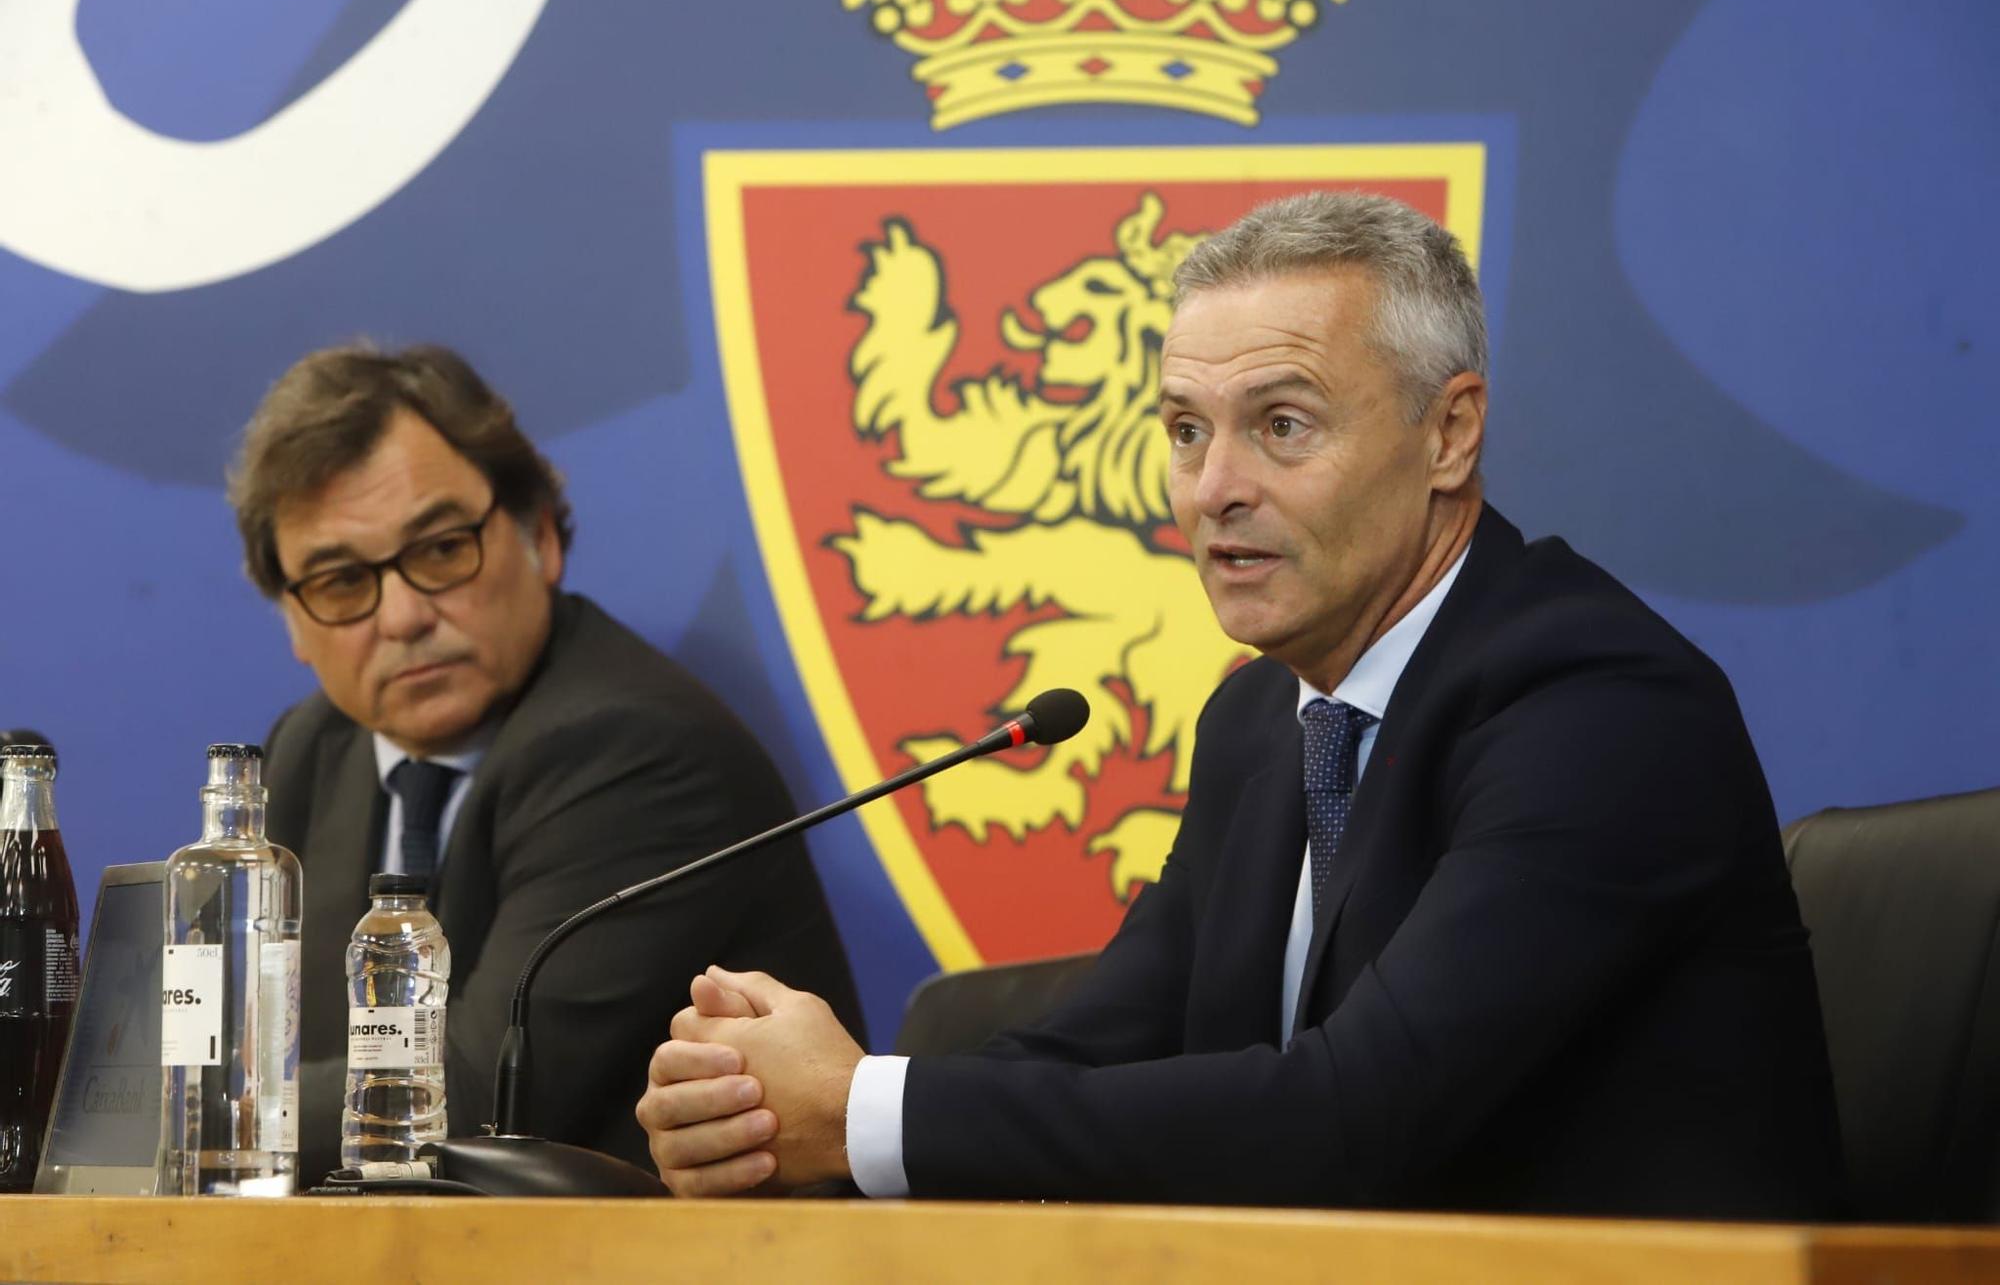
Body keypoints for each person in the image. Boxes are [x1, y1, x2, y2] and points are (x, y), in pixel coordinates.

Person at [636, 193, 1844, 1218]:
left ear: (1449, 434)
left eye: (1280, 425)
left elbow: (1358, 1117)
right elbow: (1102, 1039)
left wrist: (859, 1114)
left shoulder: (1597, 709)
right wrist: (774, 1111)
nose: (1213, 489)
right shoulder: (1266, 719)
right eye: (1183, 430)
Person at [229, 344, 860, 1185]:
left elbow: (465, 1096)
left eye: (442, 548)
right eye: (343, 582)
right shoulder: (311, 752)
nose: (406, 615)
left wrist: (192, 1106)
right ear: (295, 626)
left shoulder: (637, 747)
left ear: (539, 536)